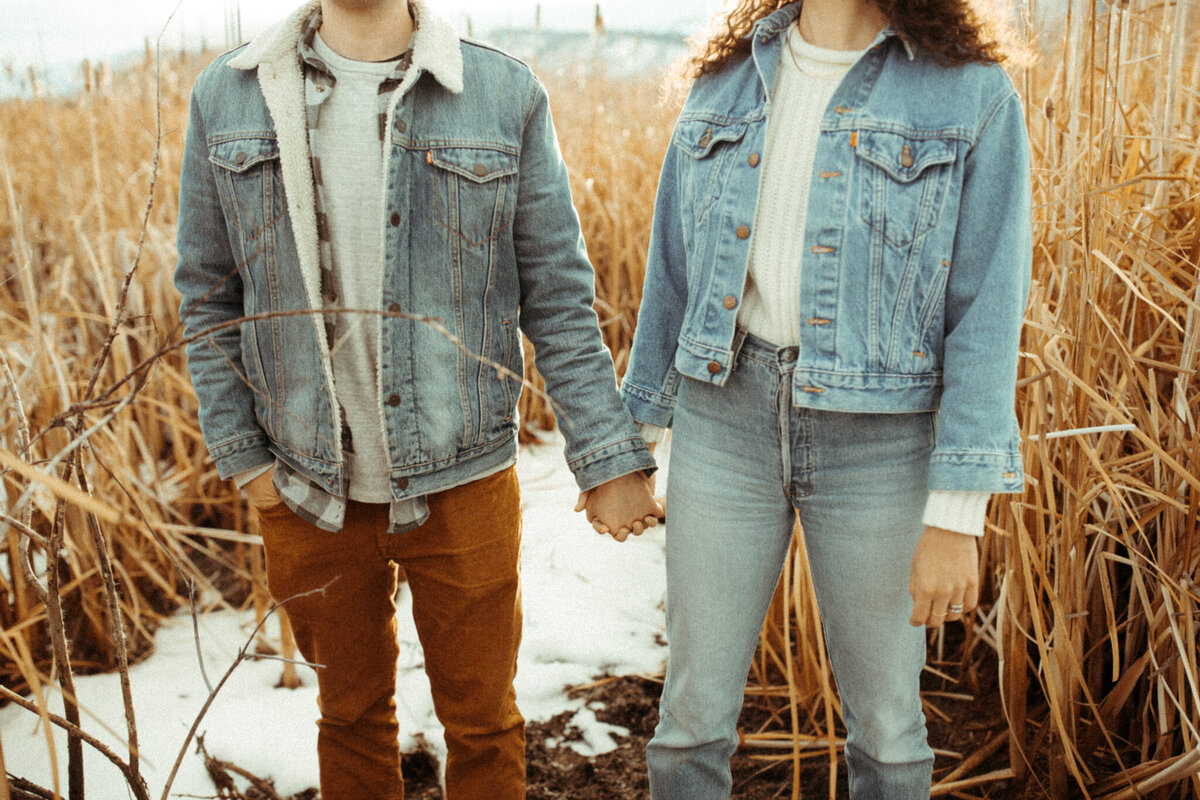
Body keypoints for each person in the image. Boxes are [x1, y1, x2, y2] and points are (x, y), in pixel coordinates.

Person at [174, 1, 662, 797]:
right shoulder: (227, 96)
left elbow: (559, 297)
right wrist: (246, 460)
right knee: (350, 715)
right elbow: (206, 291)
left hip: (463, 477)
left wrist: (606, 459)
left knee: (484, 722)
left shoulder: (502, 93)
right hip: (303, 482)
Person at [620, 0, 1031, 797]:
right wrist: (629, 444)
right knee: (689, 724)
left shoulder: (973, 95)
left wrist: (956, 514)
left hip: (880, 441)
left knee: (888, 733)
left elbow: (988, 312)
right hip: (724, 418)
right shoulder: (723, 79)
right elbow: (671, 271)